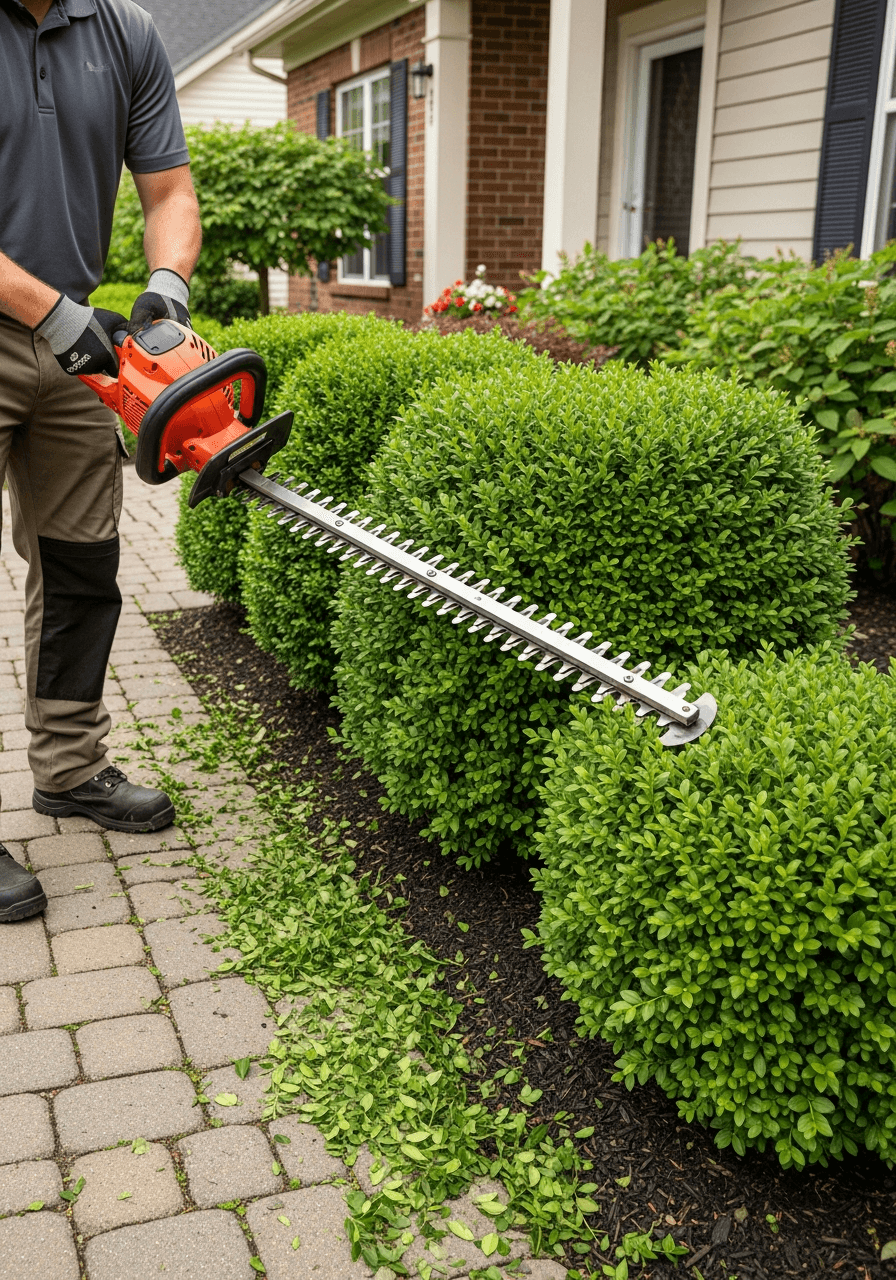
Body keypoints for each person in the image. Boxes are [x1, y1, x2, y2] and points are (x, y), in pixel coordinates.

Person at [0, 0, 203, 921]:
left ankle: (70, 767)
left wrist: (165, 290)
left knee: (83, 564)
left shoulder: (127, 33)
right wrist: (50, 311)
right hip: (54, 322)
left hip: (77, 346)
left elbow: (168, 191)